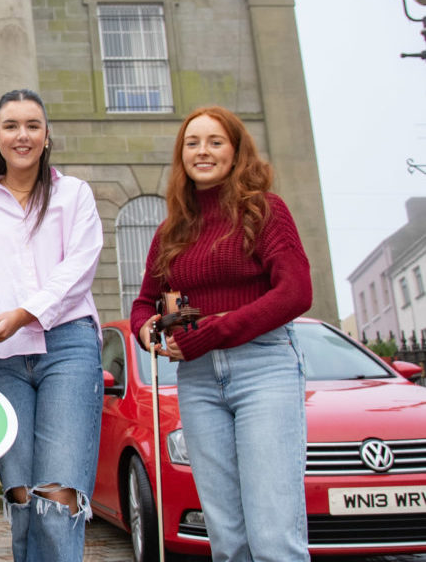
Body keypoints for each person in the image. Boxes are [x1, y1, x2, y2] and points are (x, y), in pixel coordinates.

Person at [130, 106, 311, 562]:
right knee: (227, 542)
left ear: (236, 151)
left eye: (215, 142)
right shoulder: (171, 230)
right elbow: (144, 303)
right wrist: (148, 331)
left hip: (263, 369)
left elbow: (296, 292)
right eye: (192, 143)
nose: (203, 151)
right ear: (182, 155)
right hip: (198, 381)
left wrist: (212, 331)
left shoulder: (264, 211)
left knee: (273, 539)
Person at [0, 89, 104, 562]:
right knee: (23, 502)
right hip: (2, 361)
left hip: (67, 348)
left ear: (47, 135)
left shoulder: (74, 195)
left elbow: (79, 267)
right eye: (11, 126)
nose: (22, 135)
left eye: (33, 125)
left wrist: (26, 313)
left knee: (56, 501)